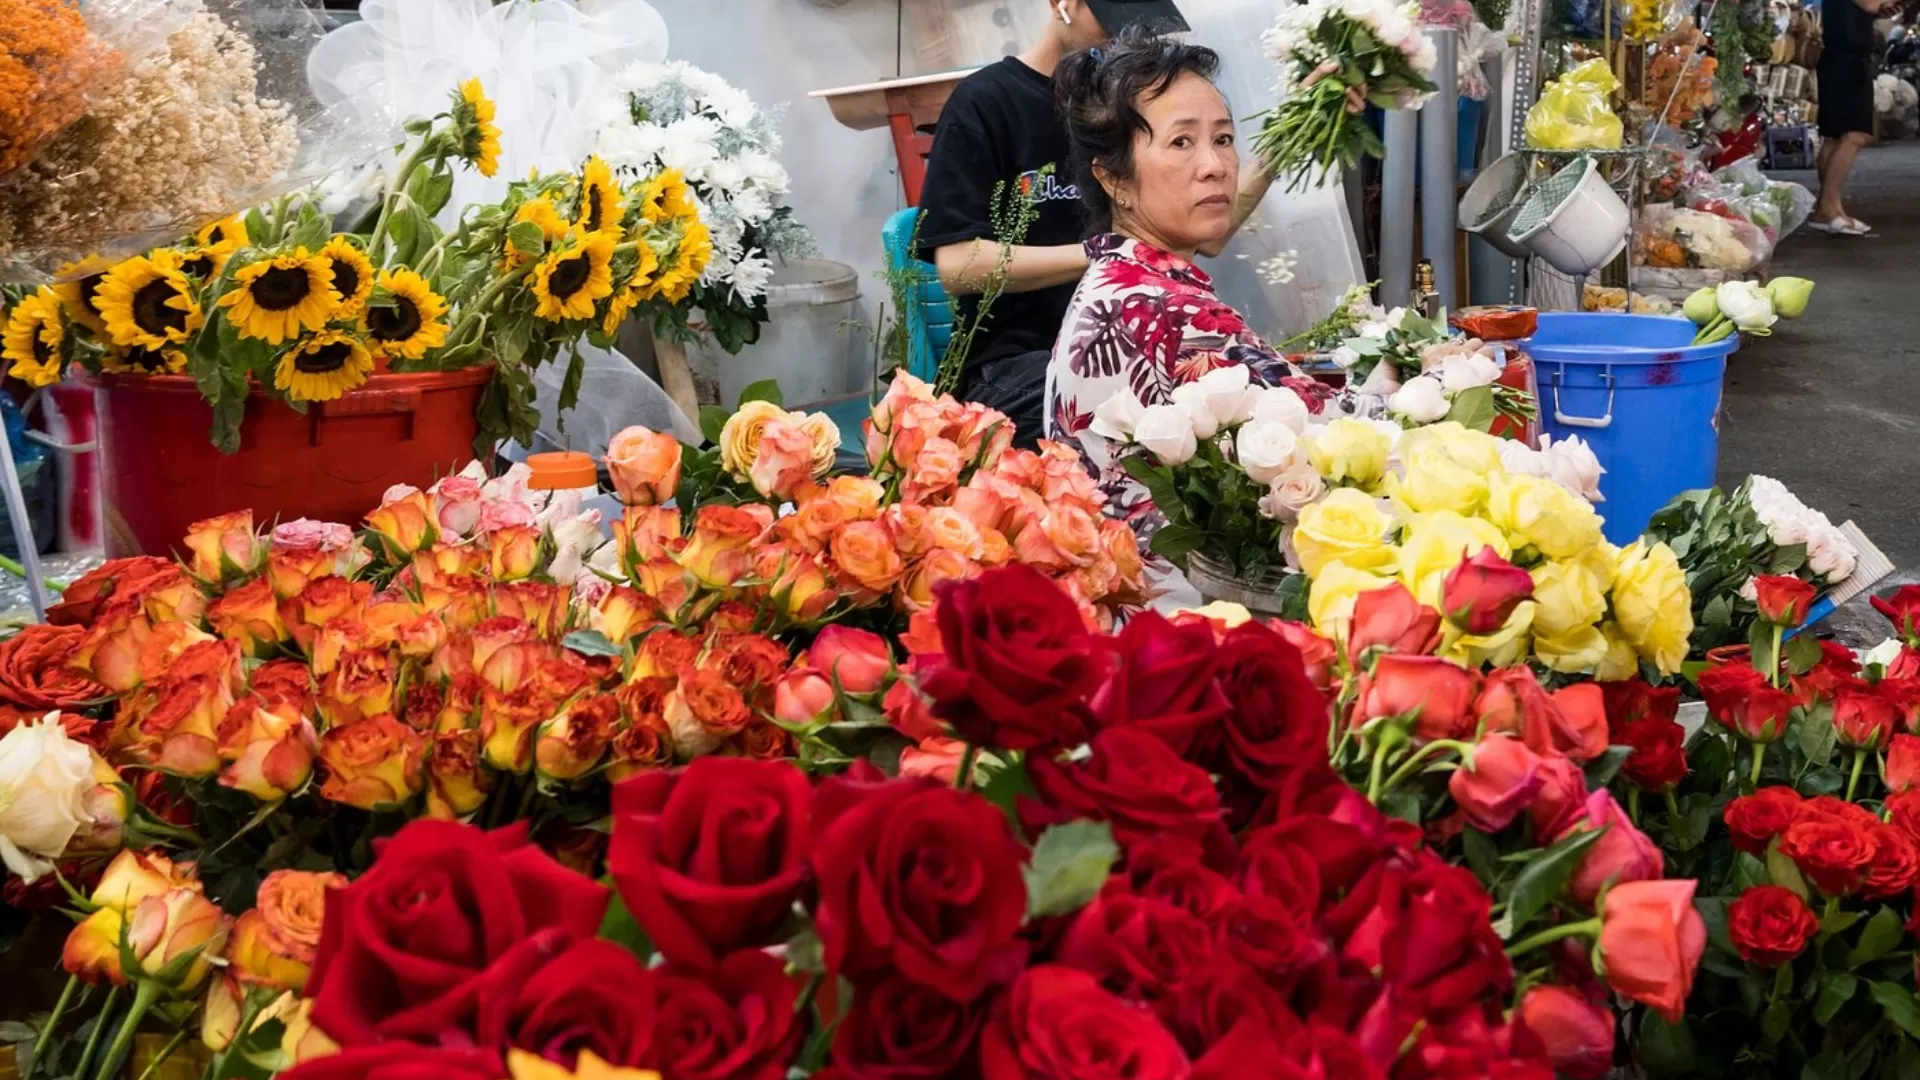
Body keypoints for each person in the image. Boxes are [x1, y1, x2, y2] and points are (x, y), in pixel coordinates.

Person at [1044, 31, 1372, 534]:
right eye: (1181, 142)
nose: (1215, 166)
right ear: (1113, 178)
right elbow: (1340, 434)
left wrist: (1300, 125)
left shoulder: (1122, 277)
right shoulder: (1158, 306)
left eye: (1223, 139)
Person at [916, 0, 1284, 449]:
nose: (1127, 30)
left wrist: (1285, 140)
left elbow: (1206, 236)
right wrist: (1111, 251)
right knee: (1169, 425)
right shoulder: (988, 102)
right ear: (1063, 5)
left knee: (1253, 408)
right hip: (1021, 365)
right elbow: (957, 265)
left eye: (1223, 139)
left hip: (1135, 340)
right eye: (1181, 142)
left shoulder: (1133, 105)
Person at [1813, 0, 1899, 234]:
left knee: (1834, 137)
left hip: (1843, 58)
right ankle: (1827, 207)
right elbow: (1870, 4)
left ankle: (1831, 209)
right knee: (1856, 135)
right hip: (1846, 60)